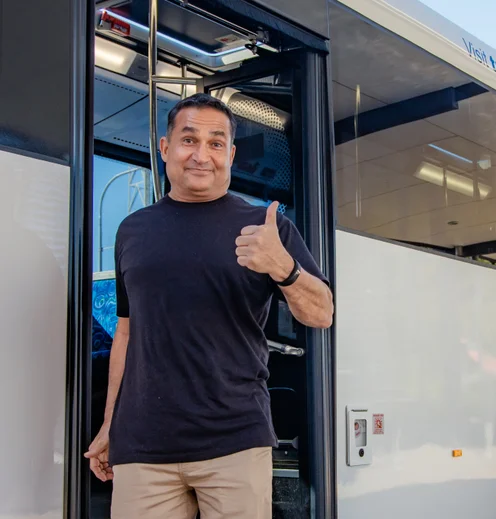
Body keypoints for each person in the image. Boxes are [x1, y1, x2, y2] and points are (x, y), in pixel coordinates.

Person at [84, 93, 334, 519]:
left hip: (234, 442)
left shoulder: (267, 227)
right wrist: (110, 424)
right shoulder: (132, 231)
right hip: (144, 446)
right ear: (165, 149)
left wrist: (284, 268)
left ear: (231, 155)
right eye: (189, 140)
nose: (202, 155)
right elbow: (126, 333)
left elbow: (321, 313)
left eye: (216, 143)